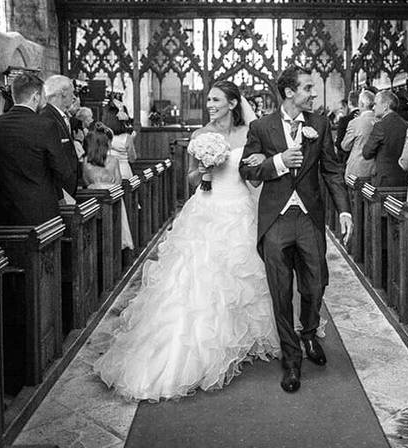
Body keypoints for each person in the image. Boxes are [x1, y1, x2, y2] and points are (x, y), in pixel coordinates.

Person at [94, 81, 277, 400]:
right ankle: (196, 350)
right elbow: (190, 177)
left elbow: (256, 172)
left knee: (242, 276)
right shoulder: (200, 135)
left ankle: (243, 338)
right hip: (207, 208)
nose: (209, 104)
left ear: (234, 104)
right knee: (197, 278)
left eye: (216, 99)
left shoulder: (250, 132)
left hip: (239, 208)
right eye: (208, 99)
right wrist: (204, 168)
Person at [240, 65, 353, 393]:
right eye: (307, 88)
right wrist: (277, 163)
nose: (313, 94)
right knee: (280, 291)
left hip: (308, 218)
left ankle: (309, 333)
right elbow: (246, 169)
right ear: (289, 92)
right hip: (275, 218)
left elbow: (331, 170)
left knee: (315, 284)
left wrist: (344, 210)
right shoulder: (261, 127)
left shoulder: (319, 123)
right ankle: (291, 358)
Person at [0, 73, 75, 226]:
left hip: (5, 212)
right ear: (35, 96)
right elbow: (63, 171)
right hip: (40, 212)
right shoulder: (45, 126)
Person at [82, 124, 134, 250]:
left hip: (92, 200)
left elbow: (86, 182)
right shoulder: (113, 160)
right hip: (112, 196)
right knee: (115, 227)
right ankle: (115, 250)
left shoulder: (85, 162)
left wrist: (96, 186)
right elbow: (118, 182)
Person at [41, 74, 80, 197]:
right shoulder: (47, 116)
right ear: (63, 92)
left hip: (68, 186)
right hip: (59, 188)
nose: (74, 97)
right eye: (72, 92)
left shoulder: (61, 115)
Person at [362, 89, 408, 187]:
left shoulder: (380, 126)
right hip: (403, 179)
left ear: (385, 106)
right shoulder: (406, 125)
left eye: (375, 104)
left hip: (384, 180)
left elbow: (367, 153)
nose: (373, 108)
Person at [341, 89, 377, 180]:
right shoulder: (380, 121)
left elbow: (345, 146)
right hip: (375, 168)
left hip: (357, 169)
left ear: (361, 104)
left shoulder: (355, 123)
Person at [334, 89, 359, 161]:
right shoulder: (368, 118)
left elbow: (339, 144)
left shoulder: (344, 120)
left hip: (348, 158)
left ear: (349, 103)